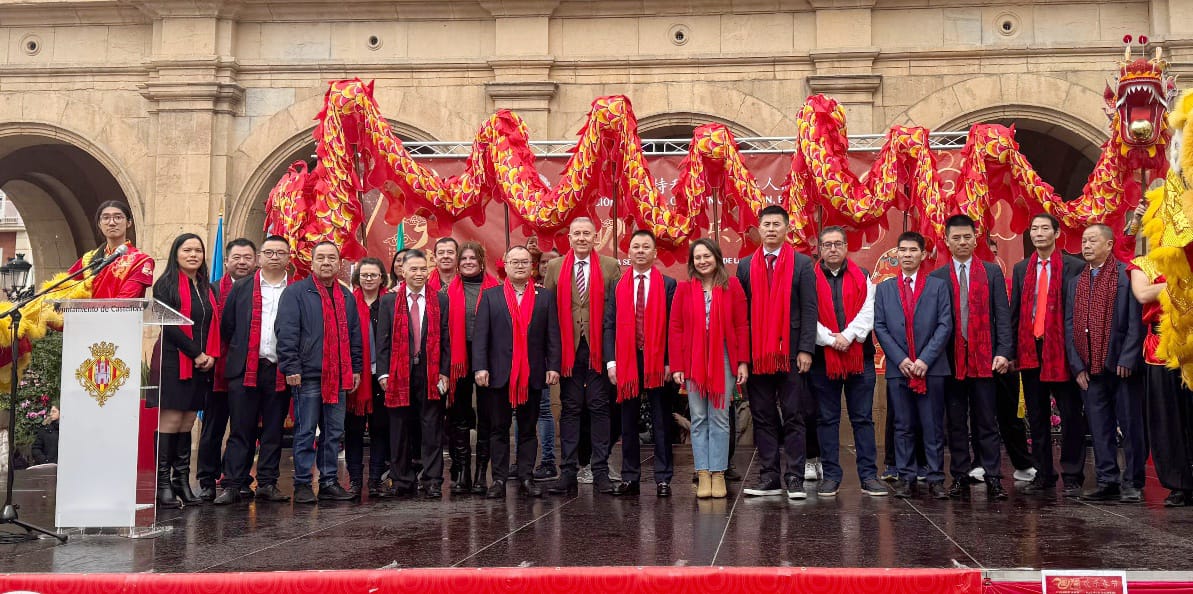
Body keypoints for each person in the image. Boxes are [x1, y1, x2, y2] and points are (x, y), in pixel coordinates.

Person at [737, 205, 818, 499]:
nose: (771, 229)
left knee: (795, 415)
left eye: (776, 224)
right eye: (766, 224)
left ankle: (794, 476)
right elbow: (741, 316)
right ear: (759, 229)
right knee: (762, 415)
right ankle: (769, 477)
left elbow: (809, 310)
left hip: (791, 353)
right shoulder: (745, 265)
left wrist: (806, 349)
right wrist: (743, 358)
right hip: (758, 355)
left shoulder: (802, 264)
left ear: (786, 229)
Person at [929, 215, 1012, 501]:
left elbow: (1002, 315)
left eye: (967, 237)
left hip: (985, 358)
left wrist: (1003, 351)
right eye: (956, 238)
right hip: (951, 361)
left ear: (975, 239)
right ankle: (961, 476)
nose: (962, 242)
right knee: (955, 422)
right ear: (947, 241)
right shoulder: (937, 277)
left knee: (987, 420)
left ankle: (992, 476)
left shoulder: (991, 272)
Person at [276, 241, 362, 504]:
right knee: (305, 430)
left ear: (339, 264)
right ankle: (302, 483)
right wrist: (291, 366)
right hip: (308, 375)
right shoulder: (296, 293)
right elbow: (286, 331)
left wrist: (356, 368)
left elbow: (354, 335)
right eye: (321, 258)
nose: (326, 262)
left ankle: (328, 481)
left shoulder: (346, 296)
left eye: (331, 258)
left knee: (333, 432)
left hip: (338, 377)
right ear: (311, 263)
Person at [542, 218, 622, 496]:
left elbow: (616, 313)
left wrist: (613, 355)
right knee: (571, 408)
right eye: (576, 234)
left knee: (600, 408)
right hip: (568, 349)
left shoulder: (611, 266)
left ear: (595, 236)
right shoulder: (554, 267)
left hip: (599, 347)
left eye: (587, 233)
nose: (581, 238)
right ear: (570, 238)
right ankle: (568, 472)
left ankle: (599, 470)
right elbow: (549, 312)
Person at [1010, 213, 1088, 497]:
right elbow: (1015, 313)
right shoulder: (1021, 269)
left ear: (1056, 234)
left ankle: (1072, 474)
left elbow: (1078, 314)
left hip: (1062, 350)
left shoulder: (1074, 267)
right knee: (1037, 414)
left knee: (1070, 415)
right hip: (1031, 350)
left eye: (1045, 228)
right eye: (1034, 228)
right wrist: (1009, 353)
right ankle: (1043, 473)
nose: (1038, 233)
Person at [474, 245, 561, 498]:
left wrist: (553, 366)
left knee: (527, 428)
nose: (520, 266)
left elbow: (552, 336)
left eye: (525, 262)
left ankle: (526, 477)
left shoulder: (544, 297)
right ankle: (499, 480)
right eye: (515, 262)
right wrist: (480, 367)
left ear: (531, 266)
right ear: (506, 265)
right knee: (498, 429)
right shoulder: (491, 297)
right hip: (499, 373)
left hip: (532, 373)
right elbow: (481, 337)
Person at [213, 235, 294, 505]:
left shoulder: (295, 290)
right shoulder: (243, 287)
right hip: (245, 368)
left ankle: (268, 483)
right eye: (268, 252)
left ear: (288, 258)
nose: (274, 257)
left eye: (280, 253)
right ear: (259, 257)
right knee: (240, 429)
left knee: (273, 430)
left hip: (279, 370)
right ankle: (233, 483)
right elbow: (228, 327)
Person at [1065, 224, 1143, 502]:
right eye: (1084, 241)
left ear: (1109, 245)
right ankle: (1107, 480)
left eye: (1092, 240)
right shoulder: (1077, 281)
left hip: (1120, 364)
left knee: (1130, 425)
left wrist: (1129, 357)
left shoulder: (1126, 275)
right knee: (1099, 427)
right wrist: (1077, 366)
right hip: (1090, 366)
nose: (1085, 245)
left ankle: (1133, 481)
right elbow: (1070, 324)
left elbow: (1135, 321)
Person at [809, 227, 889, 497]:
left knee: (863, 419)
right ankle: (831, 476)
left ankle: (869, 476)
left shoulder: (862, 275)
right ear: (819, 249)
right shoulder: (809, 277)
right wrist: (832, 341)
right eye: (827, 244)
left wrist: (848, 336)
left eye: (838, 244)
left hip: (859, 357)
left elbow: (869, 311)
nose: (833, 249)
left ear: (846, 247)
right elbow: (807, 314)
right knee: (827, 420)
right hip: (824, 359)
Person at [873, 231, 952, 499]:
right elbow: (881, 327)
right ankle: (906, 476)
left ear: (922, 254)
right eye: (902, 250)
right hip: (900, 368)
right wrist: (903, 360)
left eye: (912, 250)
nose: (907, 255)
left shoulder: (937, 286)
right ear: (897, 254)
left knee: (932, 425)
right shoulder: (884, 289)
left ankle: (935, 478)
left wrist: (924, 359)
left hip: (932, 368)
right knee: (903, 426)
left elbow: (944, 325)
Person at [670, 239, 749, 498]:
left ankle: (718, 473)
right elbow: (677, 328)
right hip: (692, 359)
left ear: (717, 257)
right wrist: (678, 366)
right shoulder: (684, 289)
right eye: (697, 257)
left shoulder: (732, 286)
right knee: (699, 417)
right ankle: (702, 472)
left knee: (719, 416)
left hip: (724, 357)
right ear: (692, 262)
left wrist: (742, 362)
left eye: (707, 256)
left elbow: (741, 325)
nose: (703, 261)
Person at [602, 230, 678, 497]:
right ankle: (630, 478)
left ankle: (663, 478)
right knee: (628, 421)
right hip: (627, 359)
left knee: (661, 420)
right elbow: (609, 324)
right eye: (636, 247)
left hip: (658, 360)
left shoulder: (668, 285)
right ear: (629, 253)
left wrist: (670, 362)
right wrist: (611, 363)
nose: (641, 251)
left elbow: (673, 327)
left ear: (655, 253)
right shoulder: (619, 285)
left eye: (647, 247)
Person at [152, 233, 222, 508]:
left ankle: (181, 481)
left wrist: (210, 356)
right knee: (170, 421)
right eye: (187, 250)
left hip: (203, 364)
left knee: (187, 421)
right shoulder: (165, 285)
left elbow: (211, 325)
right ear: (176, 254)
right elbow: (168, 325)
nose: (193, 255)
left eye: (198, 251)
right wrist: (197, 353)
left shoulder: (207, 287)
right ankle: (162, 484)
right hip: (173, 360)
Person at [377, 249, 451, 498]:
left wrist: (444, 372)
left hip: (429, 372)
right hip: (399, 373)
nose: (418, 274)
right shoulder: (389, 301)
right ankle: (402, 480)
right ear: (403, 271)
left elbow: (445, 340)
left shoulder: (439, 299)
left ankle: (432, 480)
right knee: (399, 428)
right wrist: (383, 374)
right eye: (413, 269)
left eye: (423, 269)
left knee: (432, 428)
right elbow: (383, 341)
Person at [197, 237, 257, 502]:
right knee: (213, 428)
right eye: (237, 258)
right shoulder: (210, 289)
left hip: (246, 369)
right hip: (215, 370)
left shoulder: (260, 289)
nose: (242, 262)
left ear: (255, 261)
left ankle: (239, 478)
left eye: (247, 258)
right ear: (227, 262)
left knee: (244, 428)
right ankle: (207, 480)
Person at [1131, 256, 1193, 506]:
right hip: (1162, 346)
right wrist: (1180, 283)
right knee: (1167, 419)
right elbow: (1143, 294)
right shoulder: (1145, 263)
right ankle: (1179, 484)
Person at [445, 241, 499, 495]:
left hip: (488, 357)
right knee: (460, 416)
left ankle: (481, 474)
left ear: (481, 261)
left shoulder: (497, 289)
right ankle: (463, 472)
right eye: (463, 258)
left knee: (487, 416)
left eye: (472, 258)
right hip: (458, 360)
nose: (467, 262)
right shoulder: (447, 291)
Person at [982, 236, 1037, 485]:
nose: (991, 255)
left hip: (1004, 357)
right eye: (987, 251)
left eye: (993, 251)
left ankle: (1022, 463)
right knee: (979, 416)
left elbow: (1012, 319)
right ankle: (979, 464)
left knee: (1010, 414)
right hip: (974, 357)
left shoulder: (1005, 280)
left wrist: (1009, 352)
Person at [344, 258, 391, 499]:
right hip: (355, 375)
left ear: (382, 277)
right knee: (352, 430)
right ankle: (354, 480)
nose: (369, 279)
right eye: (364, 275)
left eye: (373, 275)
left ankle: (375, 480)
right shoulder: (348, 302)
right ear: (357, 278)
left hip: (382, 375)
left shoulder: (391, 302)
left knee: (380, 428)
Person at [68, 200, 154, 299]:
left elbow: (126, 300)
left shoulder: (141, 260)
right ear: (99, 224)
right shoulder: (88, 259)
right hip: (85, 314)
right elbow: (63, 286)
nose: (112, 223)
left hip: (120, 313)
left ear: (129, 222)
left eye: (118, 217)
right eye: (106, 218)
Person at [534, 248, 562, 481]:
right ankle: (520, 462)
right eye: (543, 261)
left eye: (551, 262)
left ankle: (548, 460)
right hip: (519, 359)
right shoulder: (528, 289)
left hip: (546, 359)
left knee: (544, 409)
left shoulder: (553, 292)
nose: (546, 265)